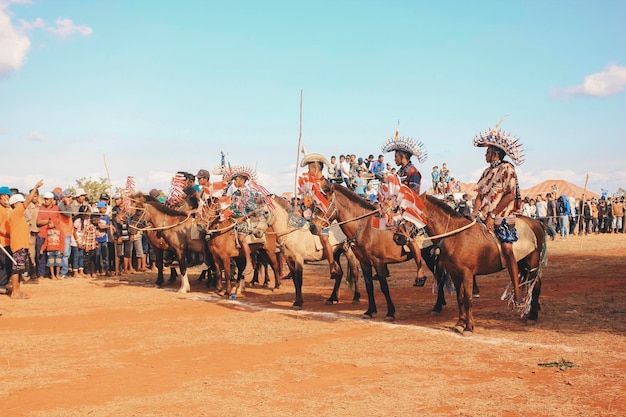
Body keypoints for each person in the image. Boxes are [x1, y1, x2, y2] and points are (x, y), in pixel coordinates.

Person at [472, 121, 525, 303]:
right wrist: (475, 211)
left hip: (502, 216)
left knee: (507, 249)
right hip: (483, 215)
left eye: (487, 152)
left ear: (495, 154)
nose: (485, 155)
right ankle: (472, 284)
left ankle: (517, 290)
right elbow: (479, 194)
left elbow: (510, 195)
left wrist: (493, 215)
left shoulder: (507, 169)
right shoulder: (486, 172)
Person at [381, 130, 429, 287]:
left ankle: (420, 269)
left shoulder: (414, 173)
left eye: (396, 156)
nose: (394, 159)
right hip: (398, 208)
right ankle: (383, 265)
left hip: (411, 209)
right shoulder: (400, 172)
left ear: (403, 156)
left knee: (408, 235)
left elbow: (413, 194)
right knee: (379, 224)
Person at [299, 153, 343, 280]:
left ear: (316, 168)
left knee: (324, 238)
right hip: (311, 216)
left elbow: (327, 205)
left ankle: (332, 265)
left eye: (310, 168)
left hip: (324, 217)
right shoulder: (311, 184)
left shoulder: (326, 185)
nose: (308, 171)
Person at [7, 180, 44, 297]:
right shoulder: (16, 212)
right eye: (21, 202)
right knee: (16, 269)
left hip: (21, 244)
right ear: (16, 204)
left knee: (19, 269)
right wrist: (35, 187)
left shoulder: (17, 214)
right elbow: (28, 200)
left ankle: (17, 291)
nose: (24, 204)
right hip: (18, 245)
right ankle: (15, 292)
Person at [0, 186, 14, 294]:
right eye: (5, 196)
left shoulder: (8, 209)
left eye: (8, 196)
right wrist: (7, 235)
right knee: (5, 263)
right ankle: (2, 285)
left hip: (9, 241)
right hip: (2, 241)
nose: (7, 198)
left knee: (8, 263)